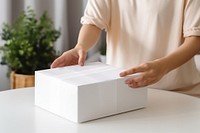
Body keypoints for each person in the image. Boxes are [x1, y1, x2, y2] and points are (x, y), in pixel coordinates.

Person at [51, 0, 200, 97]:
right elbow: (93, 22)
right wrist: (81, 46)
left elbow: (195, 39)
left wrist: (163, 67)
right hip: (123, 92)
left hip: (180, 92)